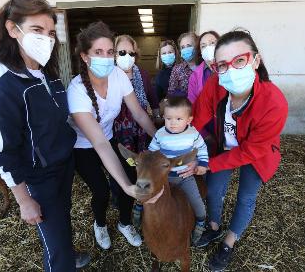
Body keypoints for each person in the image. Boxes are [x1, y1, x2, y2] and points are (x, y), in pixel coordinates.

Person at [0, 0, 90, 271]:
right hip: (38, 177)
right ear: (13, 29)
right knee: (55, 244)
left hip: (62, 165)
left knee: (62, 220)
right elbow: (0, 150)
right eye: (37, 30)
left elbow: (58, 122)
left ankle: (66, 254)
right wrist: (24, 200)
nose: (46, 38)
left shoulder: (46, 75)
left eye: (50, 32)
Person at [192, 30, 288, 271]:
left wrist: (210, 164)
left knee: (246, 196)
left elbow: (250, 151)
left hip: (258, 153)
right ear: (215, 68)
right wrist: (178, 142)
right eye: (222, 65)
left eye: (240, 60)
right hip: (225, 146)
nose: (231, 70)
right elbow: (197, 117)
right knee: (213, 188)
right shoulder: (216, 83)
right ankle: (214, 227)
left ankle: (229, 241)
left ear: (255, 60)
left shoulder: (274, 102)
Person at [67, 21, 156, 250]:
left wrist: (160, 138)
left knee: (129, 173)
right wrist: (125, 185)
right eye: (98, 52)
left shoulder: (118, 75)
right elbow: (97, 142)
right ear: (85, 56)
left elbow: (138, 113)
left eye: (109, 52)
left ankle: (124, 223)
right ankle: (100, 224)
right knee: (102, 190)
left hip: (109, 138)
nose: (106, 58)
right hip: (83, 146)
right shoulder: (77, 90)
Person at [148, 96, 209, 244]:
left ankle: (201, 220)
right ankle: (141, 211)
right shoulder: (160, 134)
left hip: (184, 177)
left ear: (189, 120)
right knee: (149, 197)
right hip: (164, 177)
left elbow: (202, 148)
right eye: (168, 118)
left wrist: (202, 163)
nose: (173, 123)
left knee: (197, 202)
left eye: (178, 119)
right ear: (163, 117)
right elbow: (152, 152)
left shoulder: (193, 134)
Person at [113, 34, 159, 153]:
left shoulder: (143, 74)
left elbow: (152, 99)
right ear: (114, 54)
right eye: (122, 52)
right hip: (118, 130)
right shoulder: (109, 76)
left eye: (131, 53)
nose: (127, 56)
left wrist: (157, 116)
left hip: (142, 128)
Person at [188, 30, 220, 103]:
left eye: (212, 43)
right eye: (203, 46)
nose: (208, 48)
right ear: (200, 51)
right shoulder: (194, 76)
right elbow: (193, 103)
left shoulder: (230, 67)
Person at [167, 32, 198, 96]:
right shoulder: (177, 69)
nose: (186, 49)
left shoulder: (205, 66)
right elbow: (171, 92)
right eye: (182, 47)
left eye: (189, 46)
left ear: (197, 46)